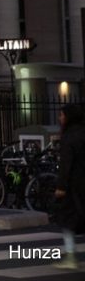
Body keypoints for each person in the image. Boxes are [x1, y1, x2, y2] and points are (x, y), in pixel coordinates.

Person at [55, 103, 85, 270]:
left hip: (75, 186)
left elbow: (66, 164)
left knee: (67, 220)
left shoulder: (69, 137)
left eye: (62, 115)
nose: (60, 118)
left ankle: (71, 256)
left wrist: (61, 186)